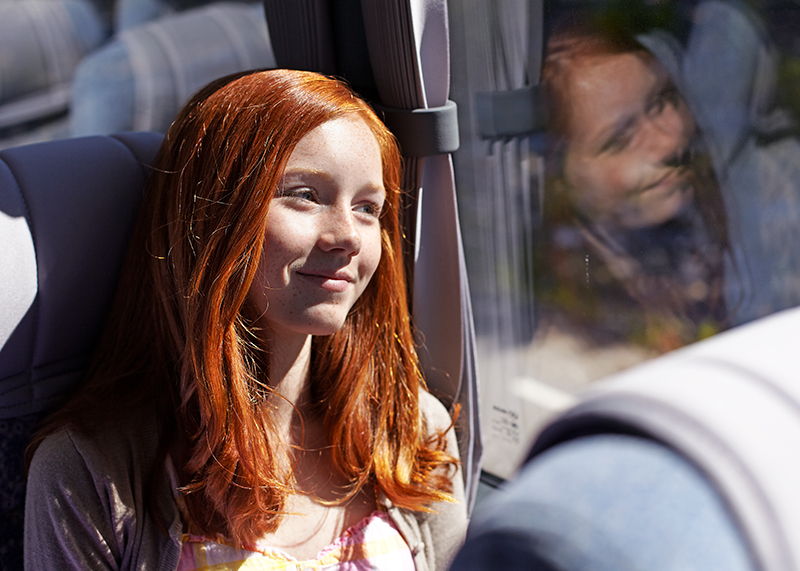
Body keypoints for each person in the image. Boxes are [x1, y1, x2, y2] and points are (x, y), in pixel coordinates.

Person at [24, 69, 466, 570]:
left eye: (368, 207)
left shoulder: (409, 431)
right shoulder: (89, 472)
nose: (348, 235)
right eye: (304, 195)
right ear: (210, 217)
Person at [534, 15, 733, 356]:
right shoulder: (566, 324)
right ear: (559, 177)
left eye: (660, 103)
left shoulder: (734, 207)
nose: (667, 142)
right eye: (620, 139)